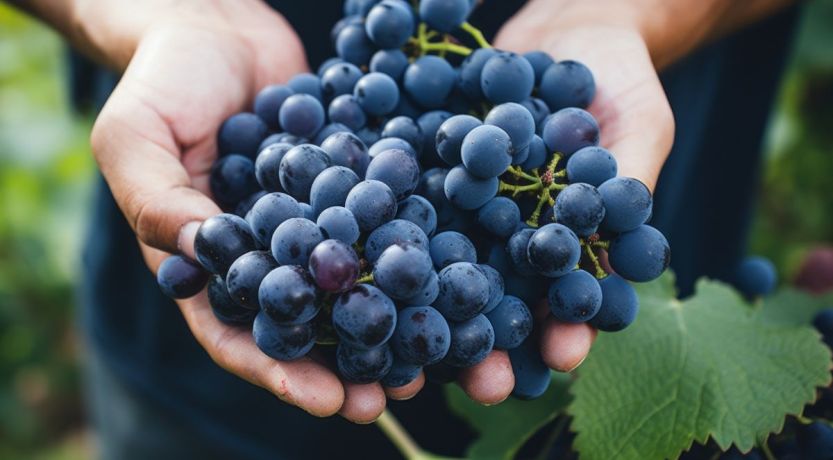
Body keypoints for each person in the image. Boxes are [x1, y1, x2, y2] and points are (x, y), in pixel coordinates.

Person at [6, 0, 801, 457]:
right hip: (187, 387)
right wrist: (162, 15)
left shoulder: (534, 198)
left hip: (616, 346)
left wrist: (630, 11)